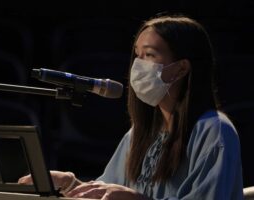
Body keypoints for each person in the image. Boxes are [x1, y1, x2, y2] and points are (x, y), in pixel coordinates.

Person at [18, 14, 244, 200]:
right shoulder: (140, 132)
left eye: (149, 55)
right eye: (137, 55)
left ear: (181, 68)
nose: (138, 65)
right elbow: (113, 191)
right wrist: (71, 185)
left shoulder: (215, 132)